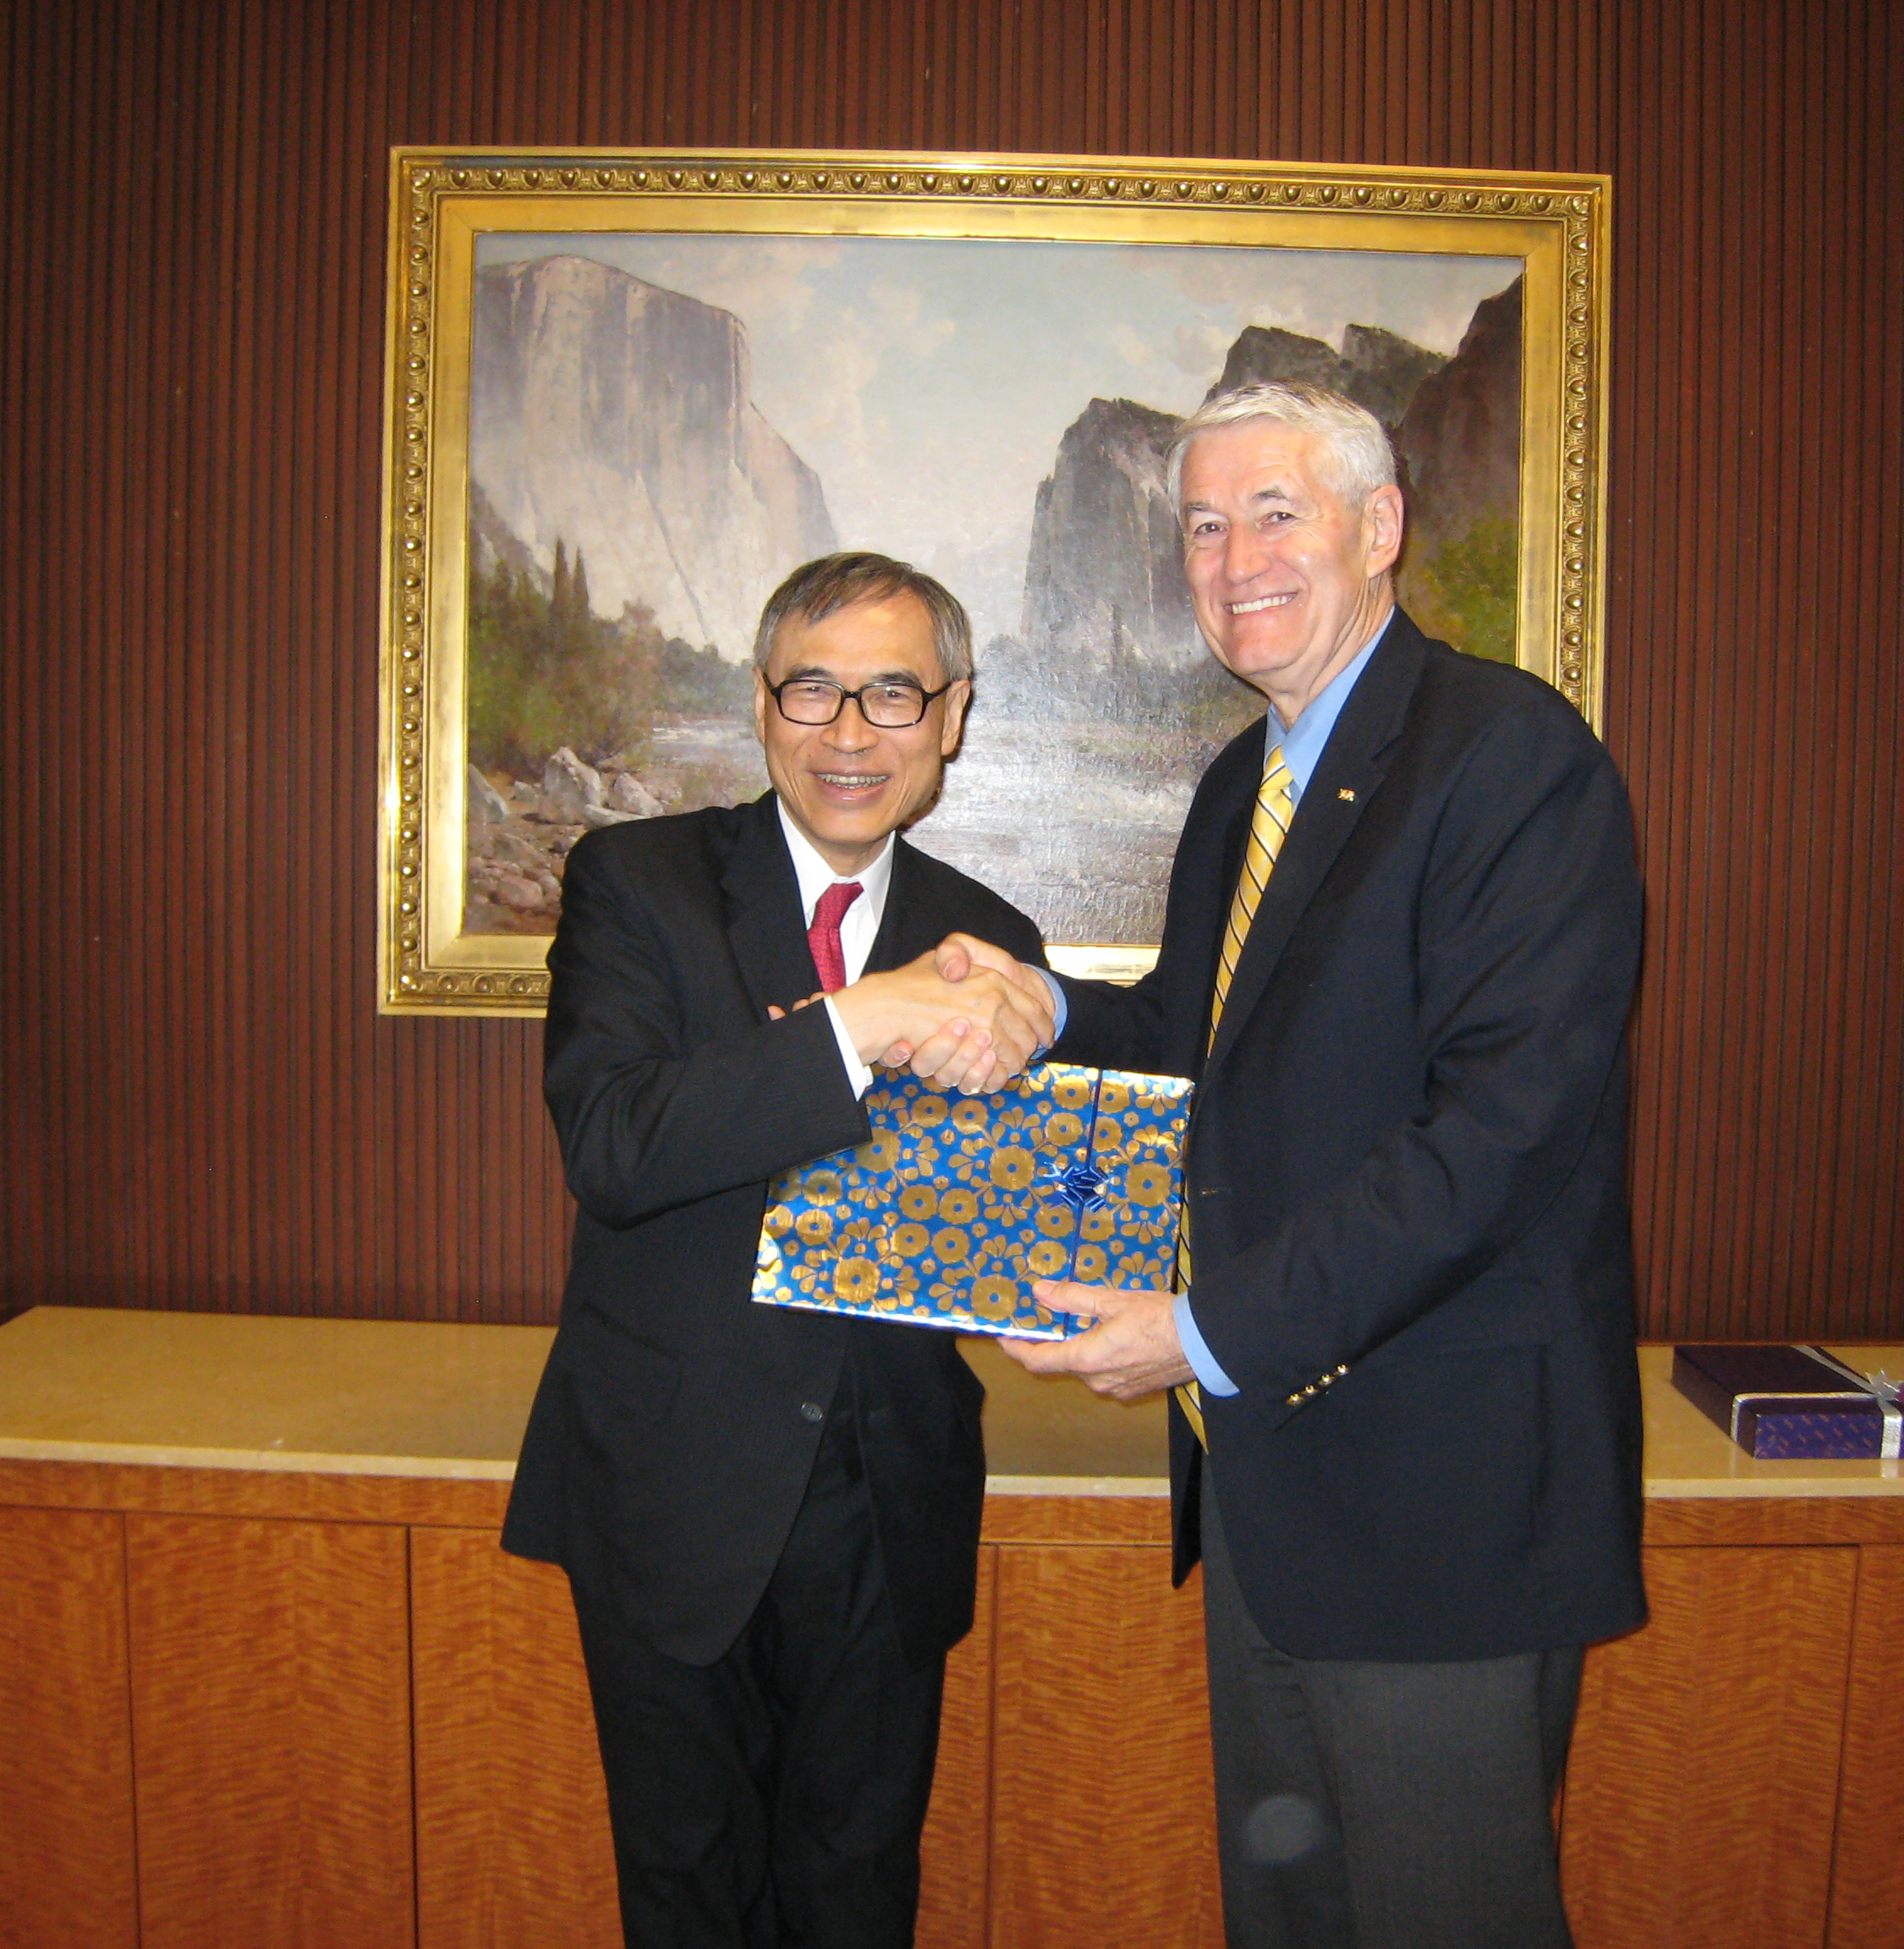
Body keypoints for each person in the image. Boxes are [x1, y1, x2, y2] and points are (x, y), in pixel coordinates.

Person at [998, 383, 1648, 1948]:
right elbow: (1196, 1042)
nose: (1235, 562)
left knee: (1445, 1917)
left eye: (1274, 514)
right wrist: (1033, 1009)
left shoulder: (1509, 760)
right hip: (1277, 1494)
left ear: (1381, 528)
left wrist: (1196, 1332)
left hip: (1438, 1502)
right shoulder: (1245, 781)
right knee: (1290, 1915)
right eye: (1205, 527)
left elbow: (1492, 1142)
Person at [502, 552, 1058, 1949]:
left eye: (892, 692)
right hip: (672, 1495)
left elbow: (981, 1230)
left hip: (887, 1506)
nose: (851, 731)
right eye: (812, 688)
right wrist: (854, 1025)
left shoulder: (994, 945)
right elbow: (617, 1149)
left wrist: (1071, 1279)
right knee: (687, 1893)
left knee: (858, 1891)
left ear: (954, 714)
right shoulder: (638, 881)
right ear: (761, 707)